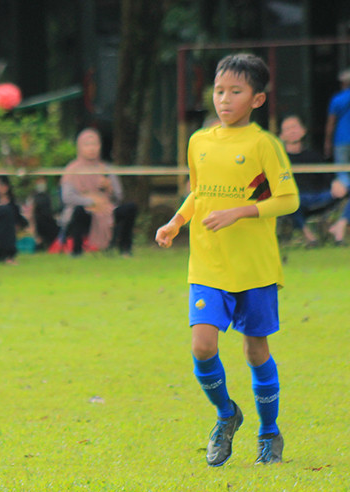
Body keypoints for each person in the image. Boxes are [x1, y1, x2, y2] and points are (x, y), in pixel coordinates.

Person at [155, 53, 298, 466]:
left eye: (236, 92)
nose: (224, 99)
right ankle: (226, 415)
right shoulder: (198, 141)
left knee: (255, 351)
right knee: (202, 346)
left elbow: (287, 200)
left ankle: (269, 433)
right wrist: (176, 221)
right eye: (219, 91)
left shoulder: (263, 145)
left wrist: (239, 212)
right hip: (208, 265)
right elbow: (199, 193)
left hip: (254, 267)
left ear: (257, 99)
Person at [58, 128, 137, 256]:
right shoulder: (71, 170)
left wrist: (109, 188)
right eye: (87, 145)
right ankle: (77, 252)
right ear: (80, 147)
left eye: (95, 144)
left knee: (130, 208)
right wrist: (91, 201)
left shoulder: (106, 169)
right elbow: (67, 197)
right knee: (78, 211)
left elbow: (118, 197)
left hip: (106, 211)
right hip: (85, 212)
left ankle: (125, 249)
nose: (92, 149)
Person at [278, 115, 349, 246]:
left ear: (303, 131)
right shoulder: (279, 160)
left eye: (295, 127)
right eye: (288, 128)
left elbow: (328, 178)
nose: (292, 131)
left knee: (346, 187)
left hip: (319, 197)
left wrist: (335, 183)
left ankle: (340, 226)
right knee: (288, 200)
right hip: (296, 200)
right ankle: (309, 237)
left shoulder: (314, 156)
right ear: (282, 136)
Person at [323, 68, 350, 189]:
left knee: (342, 171)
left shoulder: (337, 99)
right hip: (342, 140)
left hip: (341, 140)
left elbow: (331, 123)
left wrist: (327, 142)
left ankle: (345, 197)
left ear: (343, 83)